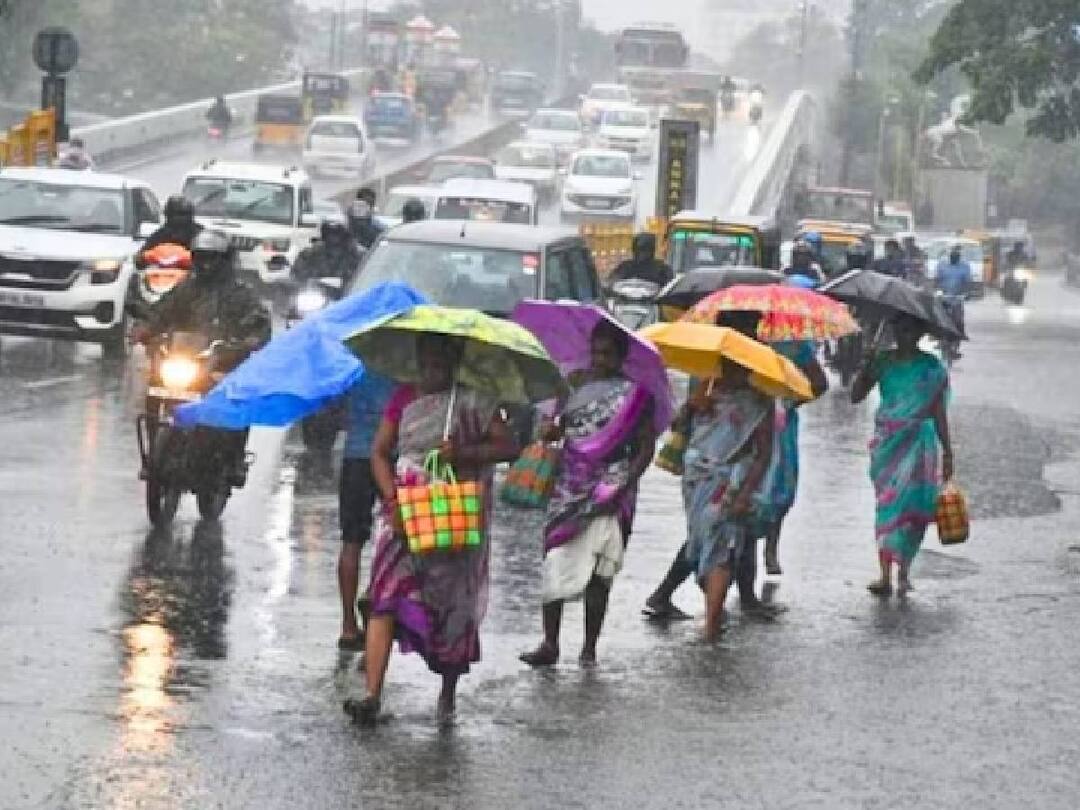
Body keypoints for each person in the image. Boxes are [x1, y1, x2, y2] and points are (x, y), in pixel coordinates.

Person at [345, 335, 518, 725]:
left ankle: (447, 694)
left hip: (452, 514)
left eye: (440, 362)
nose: (431, 370)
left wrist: (464, 454)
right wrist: (393, 499)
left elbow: (509, 447)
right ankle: (372, 694)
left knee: (453, 604)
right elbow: (379, 452)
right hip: (405, 514)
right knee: (384, 595)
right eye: (426, 361)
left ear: (454, 362)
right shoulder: (403, 398)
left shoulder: (474, 401)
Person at [520, 320, 657, 668]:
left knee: (600, 571)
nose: (600, 359)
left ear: (622, 356)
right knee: (554, 560)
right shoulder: (572, 386)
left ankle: (589, 649)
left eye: (608, 353)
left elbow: (645, 447)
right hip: (568, 487)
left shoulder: (637, 396)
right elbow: (554, 428)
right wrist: (551, 428)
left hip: (611, 490)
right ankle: (549, 643)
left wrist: (624, 483)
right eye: (595, 352)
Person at [644, 311, 795, 621]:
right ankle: (688, 593)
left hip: (739, 471)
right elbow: (684, 424)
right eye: (746, 328)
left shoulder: (761, 381)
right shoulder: (707, 378)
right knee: (707, 536)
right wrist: (692, 409)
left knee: (730, 534)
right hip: (701, 473)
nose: (751, 334)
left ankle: (724, 600)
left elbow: (765, 442)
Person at [136, 230, 271, 484]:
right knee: (155, 390)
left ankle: (233, 460)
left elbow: (260, 322)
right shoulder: (185, 289)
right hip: (187, 360)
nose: (207, 264)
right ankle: (156, 453)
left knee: (235, 401)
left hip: (223, 363)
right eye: (202, 257)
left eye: (213, 258)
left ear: (225, 261)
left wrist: (249, 340)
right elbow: (160, 313)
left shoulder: (241, 293)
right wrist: (146, 328)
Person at [851, 314, 954, 596]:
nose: (904, 334)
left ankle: (904, 569)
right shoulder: (882, 362)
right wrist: (865, 366)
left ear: (921, 332)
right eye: (899, 327)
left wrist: (948, 451)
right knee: (888, 504)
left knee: (915, 510)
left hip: (920, 444)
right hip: (888, 445)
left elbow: (938, 412)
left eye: (910, 329)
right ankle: (884, 574)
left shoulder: (932, 369)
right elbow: (856, 395)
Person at [682, 345, 775, 640]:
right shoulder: (704, 390)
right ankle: (714, 607)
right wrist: (691, 407)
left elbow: (763, 453)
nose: (735, 371)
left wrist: (746, 492)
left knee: (720, 548)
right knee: (698, 549)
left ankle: (710, 624)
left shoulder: (759, 403)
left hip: (728, 482)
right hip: (695, 480)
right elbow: (677, 427)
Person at [335, 368, 397, 651]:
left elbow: (335, 405)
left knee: (351, 542)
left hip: (356, 456)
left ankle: (348, 625)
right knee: (391, 542)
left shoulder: (353, 363)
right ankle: (374, 601)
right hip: (390, 458)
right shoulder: (406, 366)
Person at [136, 196, 203, 267]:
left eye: (183, 214)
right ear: (168, 214)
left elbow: (210, 256)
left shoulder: (199, 234)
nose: (180, 218)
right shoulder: (160, 234)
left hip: (191, 274)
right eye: (176, 214)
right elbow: (141, 256)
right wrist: (141, 258)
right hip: (160, 273)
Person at [291, 220, 362, 286]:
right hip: (316, 293)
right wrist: (311, 278)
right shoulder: (311, 253)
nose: (333, 238)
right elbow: (296, 274)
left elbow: (364, 277)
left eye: (337, 234)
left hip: (348, 293)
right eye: (329, 233)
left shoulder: (356, 257)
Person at [609, 232, 674, 288]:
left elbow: (671, 286)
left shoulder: (662, 268)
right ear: (634, 249)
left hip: (655, 301)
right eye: (640, 249)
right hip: (626, 301)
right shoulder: (625, 266)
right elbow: (612, 280)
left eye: (646, 249)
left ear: (652, 250)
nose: (642, 253)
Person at [935, 245, 973, 338]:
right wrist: (936, 290)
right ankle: (937, 334)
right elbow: (937, 279)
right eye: (952, 255)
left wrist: (967, 293)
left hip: (957, 296)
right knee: (939, 316)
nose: (954, 257)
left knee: (958, 318)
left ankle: (961, 332)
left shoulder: (965, 266)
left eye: (956, 256)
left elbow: (967, 282)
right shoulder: (942, 264)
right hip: (944, 295)